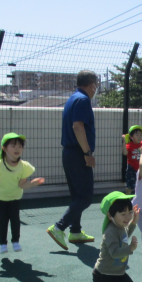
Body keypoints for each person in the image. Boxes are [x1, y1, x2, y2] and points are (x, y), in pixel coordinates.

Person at [47, 70, 100, 250]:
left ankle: (75, 231)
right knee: (85, 197)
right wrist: (87, 153)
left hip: (69, 154)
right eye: (96, 85)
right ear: (92, 84)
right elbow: (78, 127)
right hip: (78, 154)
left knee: (76, 196)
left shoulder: (72, 98)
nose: (96, 89)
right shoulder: (83, 100)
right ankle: (59, 227)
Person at [71, 192, 139, 282]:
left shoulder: (121, 226)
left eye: (130, 212)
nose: (128, 217)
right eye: (123, 214)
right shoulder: (110, 231)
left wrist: (134, 222)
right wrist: (130, 248)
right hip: (104, 273)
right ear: (110, 215)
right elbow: (114, 252)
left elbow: (125, 236)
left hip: (118, 272)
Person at [0, 132, 45, 254]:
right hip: (0, 197)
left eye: (20, 146)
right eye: (13, 145)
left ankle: (15, 241)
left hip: (15, 197)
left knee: (15, 218)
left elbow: (22, 184)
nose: (17, 148)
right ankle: (3, 244)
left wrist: (33, 183)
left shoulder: (23, 166)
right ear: (4, 148)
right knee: (3, 219)